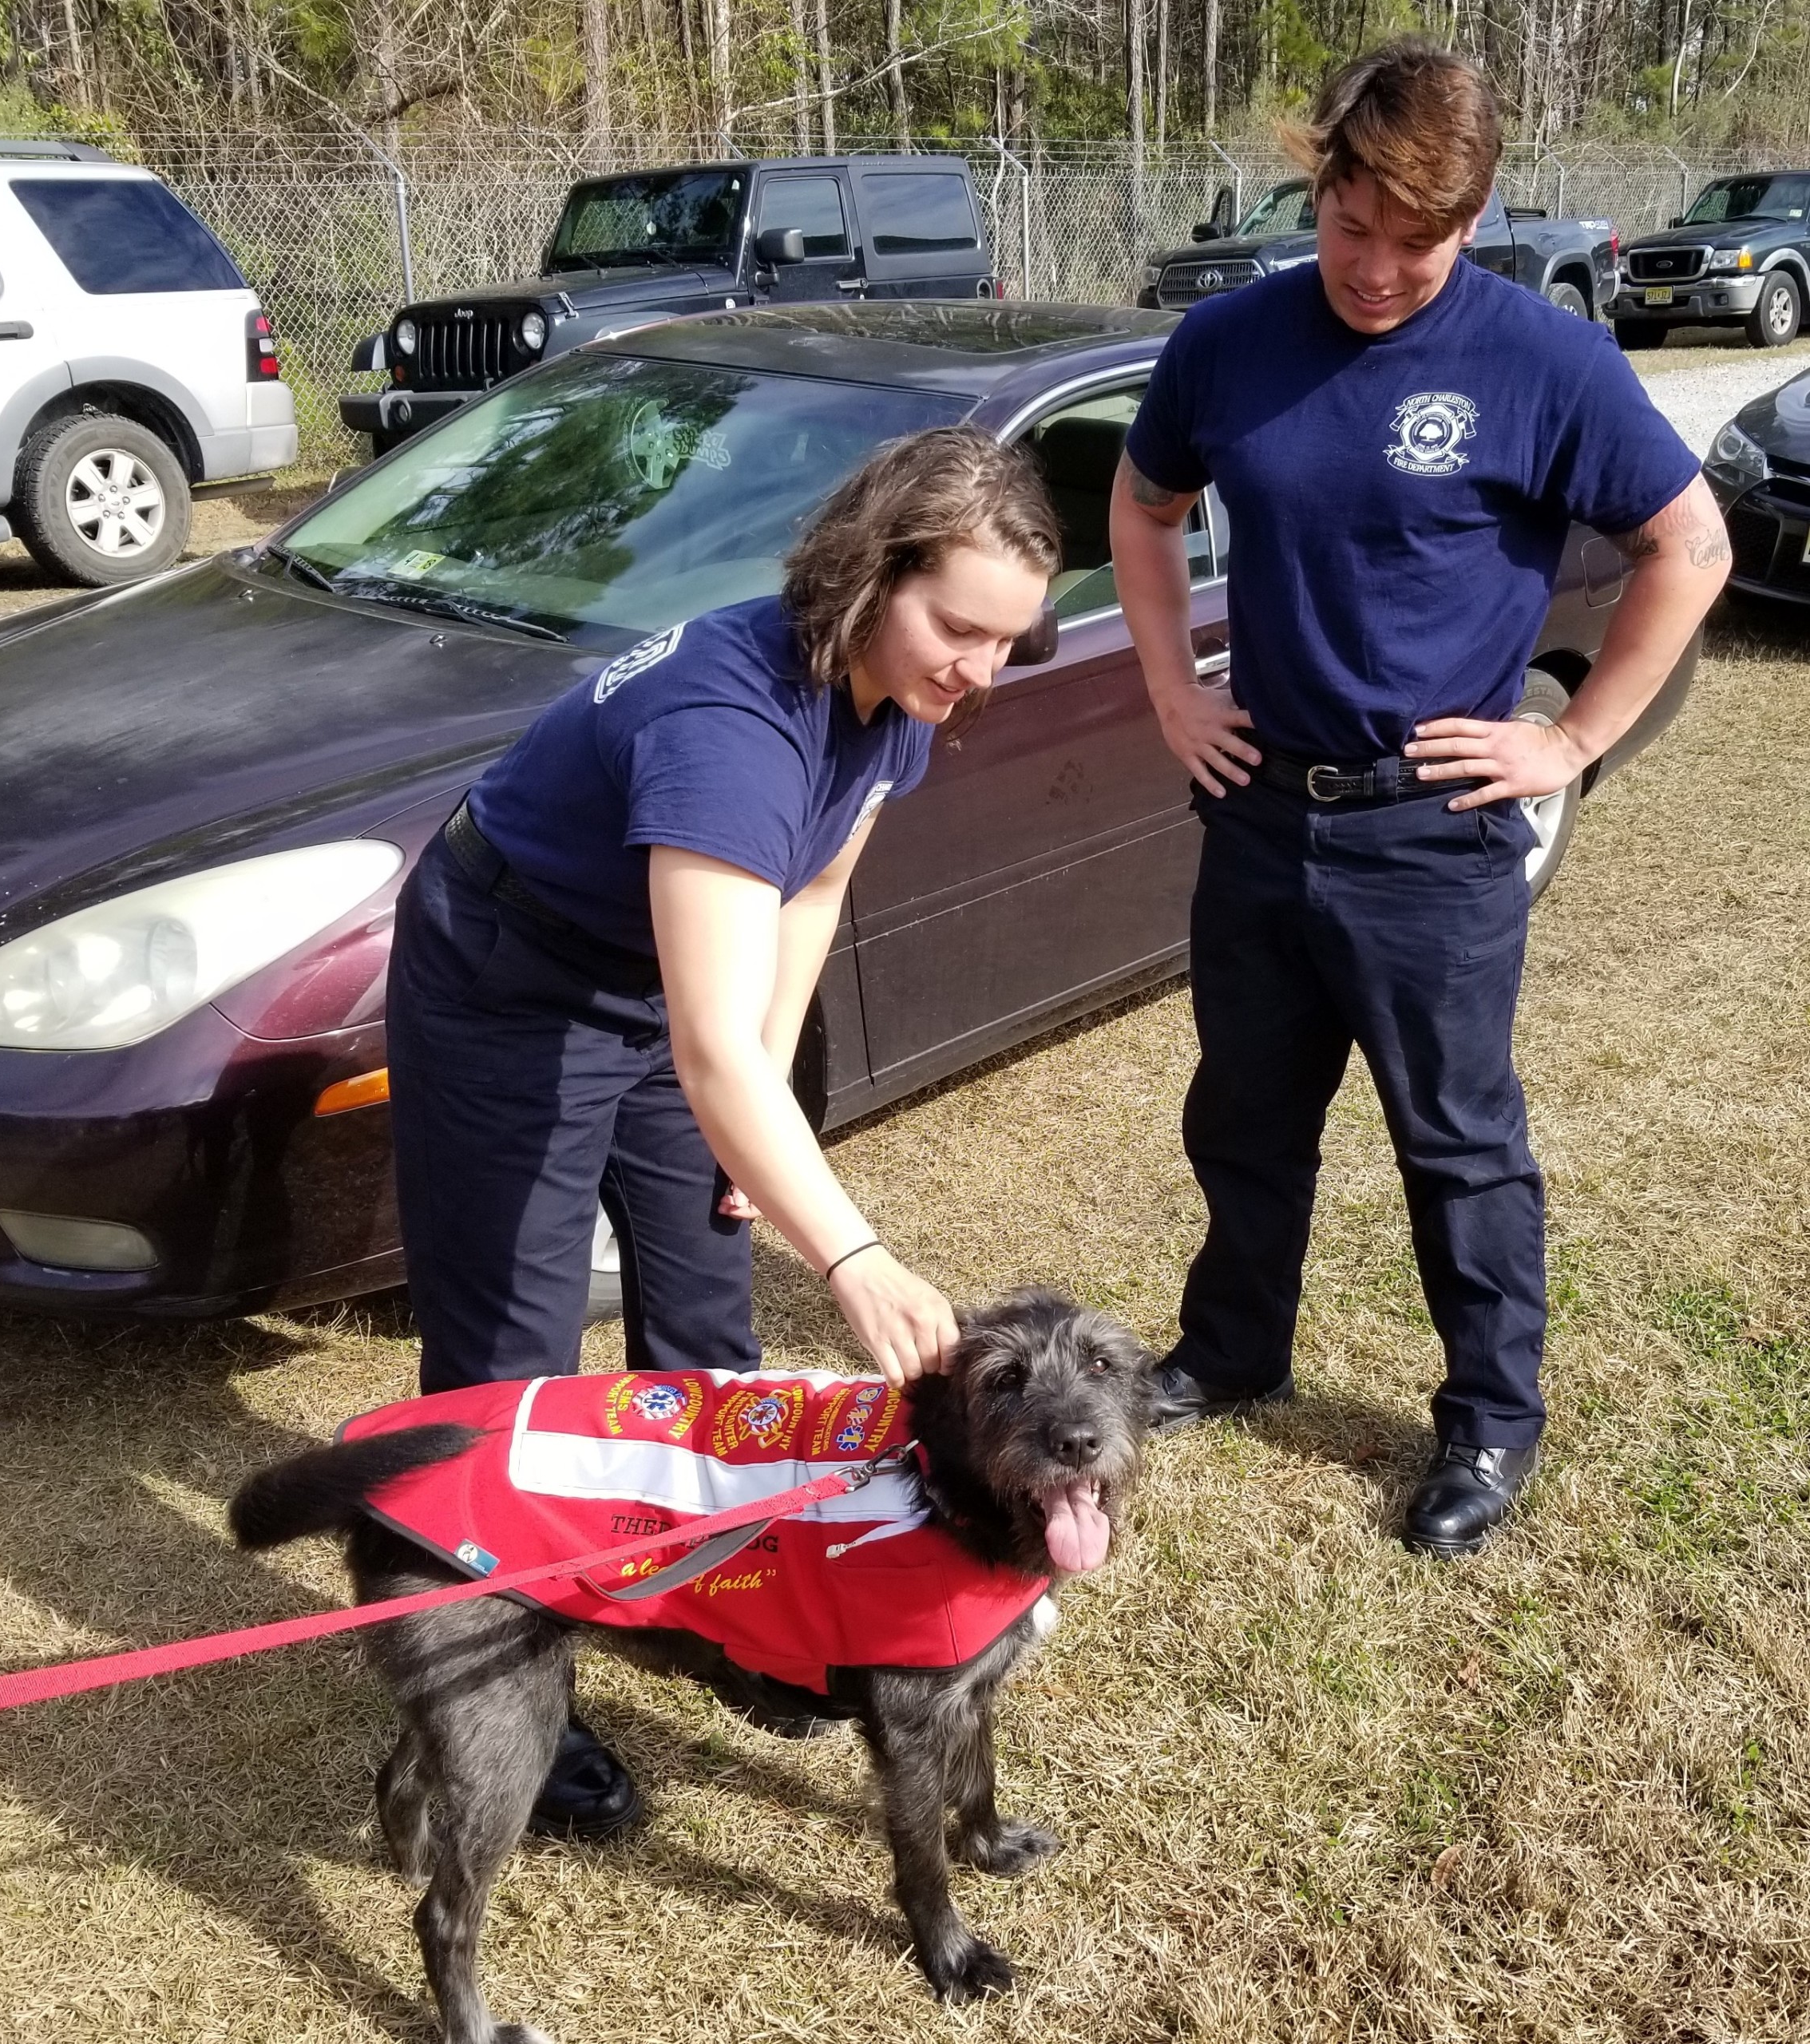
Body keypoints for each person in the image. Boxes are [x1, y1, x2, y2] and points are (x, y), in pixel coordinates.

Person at [384, 424, 1059, 1835]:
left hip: (659, 977)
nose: (980, 671)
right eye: (958, 628)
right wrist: (853, 1256)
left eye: (1008, 641)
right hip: (512, 980)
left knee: (707, 1335)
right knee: (513, 1360)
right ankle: (501, 1694)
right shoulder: (729, 727)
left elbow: (808, 897)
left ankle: (725, 1606)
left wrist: (770, 1090)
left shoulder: (896, 700)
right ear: (871, 574)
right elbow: (706, 1055)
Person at [1110, 38, 1729, 1558]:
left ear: (1474, 215)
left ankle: (1491, 1419)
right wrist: (1174, 689)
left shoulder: (1545, 363)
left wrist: (1572, 742)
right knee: (1245, 1112)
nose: (1377, 269)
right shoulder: (1230, 342)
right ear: (1316, 185)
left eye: (1417, 240)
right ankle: (1234, 1350)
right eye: (1351, 226)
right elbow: (1142, 500)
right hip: (1261, 808)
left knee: (1456, 1140)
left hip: (1431, 834)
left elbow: (1691, 546)